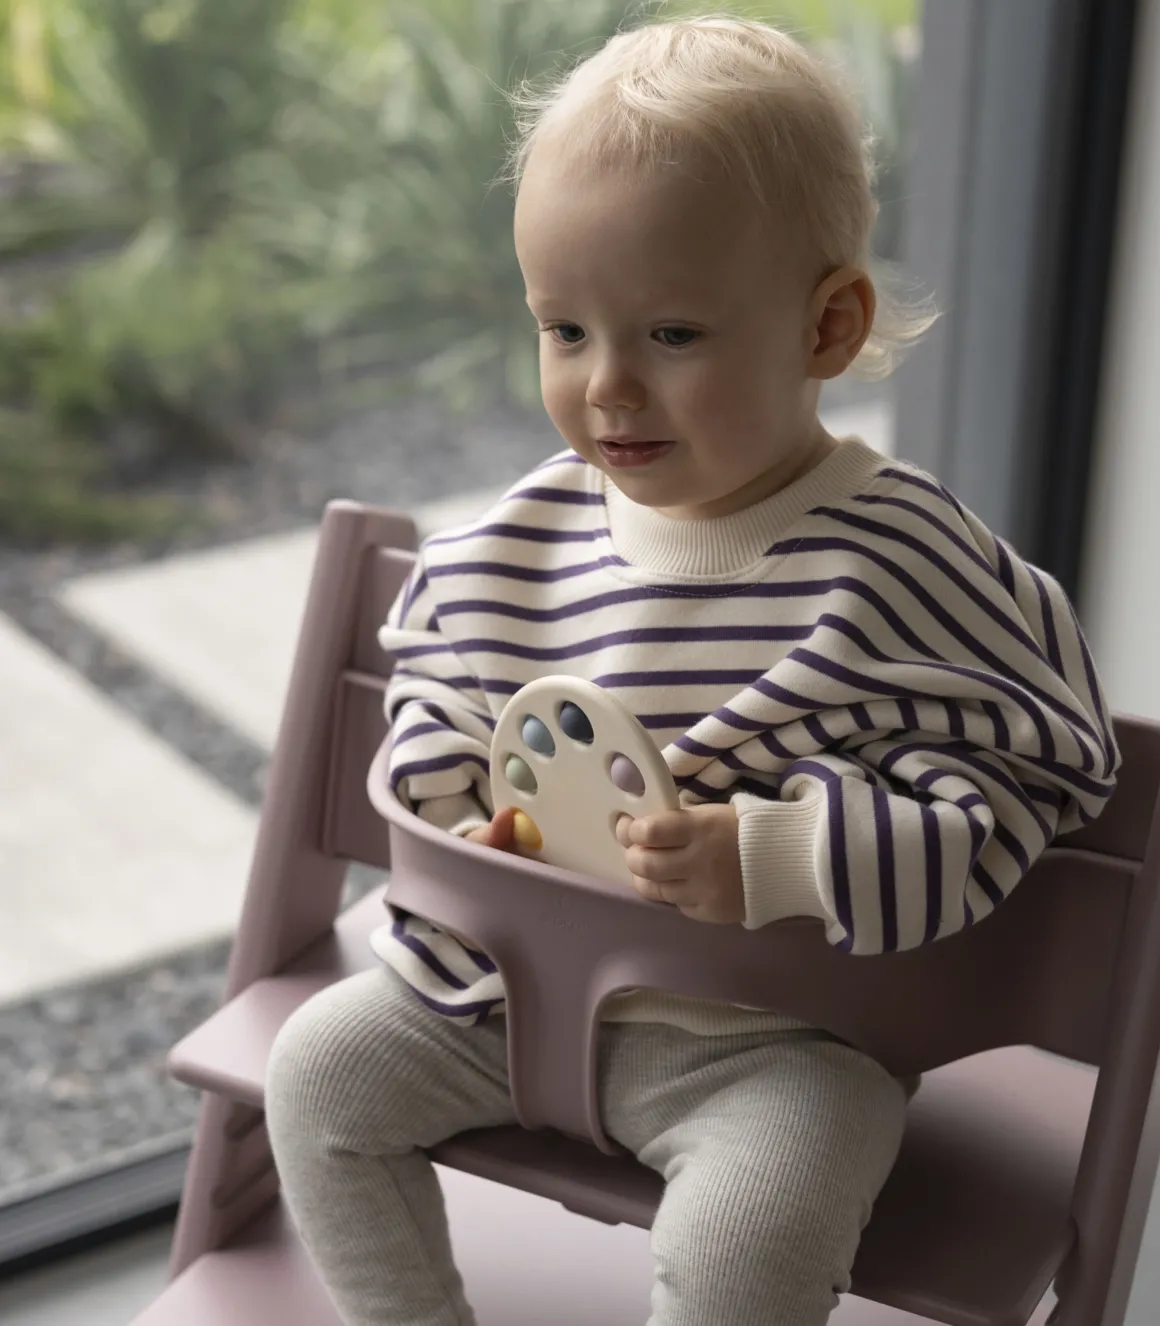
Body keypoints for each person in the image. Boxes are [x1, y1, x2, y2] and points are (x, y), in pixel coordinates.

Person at [265, 15, 1120, 1325]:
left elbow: (1022, 788)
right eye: (564, 329)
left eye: (670, 334)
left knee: (752, 1235)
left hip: (775, 1038)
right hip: (502, 996)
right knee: (319, 1075)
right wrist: (461, 801)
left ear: (827, 325)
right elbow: (436, 678)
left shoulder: (906, 569)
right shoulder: (520, 540)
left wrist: (775, 855)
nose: (607, 387)